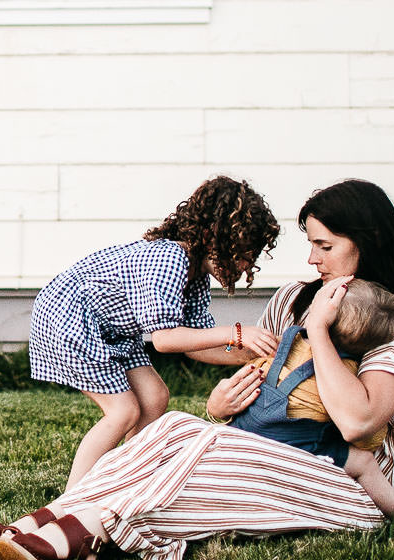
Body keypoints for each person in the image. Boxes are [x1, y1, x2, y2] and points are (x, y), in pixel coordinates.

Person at [0, 178, 394, 560]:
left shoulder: (393, 320)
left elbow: (359, 424)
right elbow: (255, 364)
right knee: (178, 424)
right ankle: (53, 517)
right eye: (311, 244)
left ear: (368, 240)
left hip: (345, 480)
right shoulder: (299, 296)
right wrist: (219, 405)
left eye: (325, 246)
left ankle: (79, 534)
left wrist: (316, 328)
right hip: (265, 451)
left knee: (197, 452)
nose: (313, 260)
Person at [26, 175, 282, 490]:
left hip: (112, 330)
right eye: (241, 253)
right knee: (123, 412)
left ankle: (121, 482)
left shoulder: (196, 278)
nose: (245, 265)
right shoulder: (170, 258)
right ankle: (71, 503)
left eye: (251, 257)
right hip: (70, 316)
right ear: (210, 235)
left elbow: (194, 345)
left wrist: (264, 353)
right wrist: (236, 332)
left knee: (154, 397)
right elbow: (165, 340)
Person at [223, 278, 394, 524]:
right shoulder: (343, 372)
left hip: (245, 432)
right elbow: (365, 435)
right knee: (363, 461)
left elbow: (255, 370)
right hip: (297, 443)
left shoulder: (290, 342)